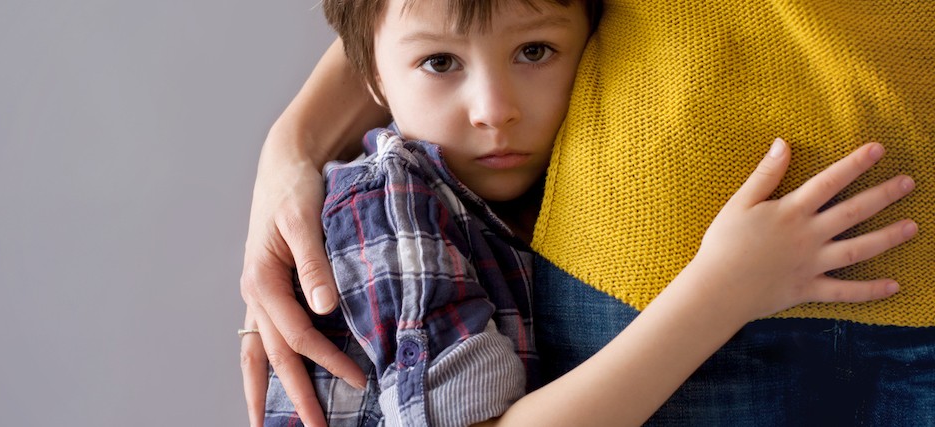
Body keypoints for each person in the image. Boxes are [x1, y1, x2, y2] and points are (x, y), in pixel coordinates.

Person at [241, 0, 923, 426]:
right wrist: (724, 289)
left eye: (535, 52)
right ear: (375, 81)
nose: (494, 108)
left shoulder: (495, 186)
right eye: (442, 63)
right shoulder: (392, 209)